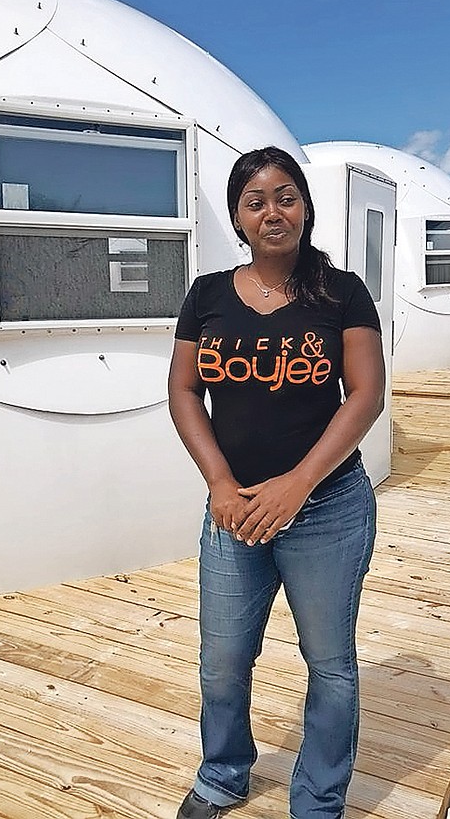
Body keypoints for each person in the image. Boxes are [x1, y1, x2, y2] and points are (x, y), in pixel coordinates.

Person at [168, 146, 386, 819]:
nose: (273, 211)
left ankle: (318, 801)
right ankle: (224, 773)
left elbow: (366, 394)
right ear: (238, 216)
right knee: (223, 658)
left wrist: (296, 483)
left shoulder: (341, 291)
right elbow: (182, 390)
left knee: (330, 663)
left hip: (327, 509)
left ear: (305, 207)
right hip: (233, 512)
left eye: (286, 196)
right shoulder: (205, 295)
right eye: (255, 199)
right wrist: (221, 484)